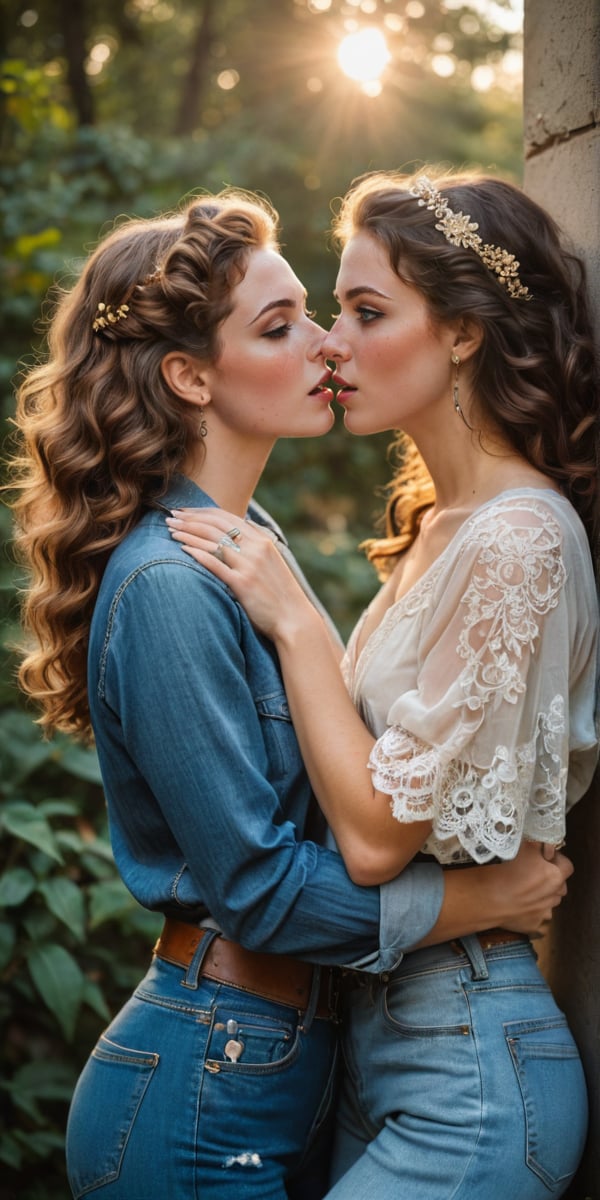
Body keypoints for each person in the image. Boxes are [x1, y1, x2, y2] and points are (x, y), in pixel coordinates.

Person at [10, 188, 572, 1200]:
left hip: (287, 1061)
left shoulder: (249, 549)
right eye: (285, 326)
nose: (324, 346)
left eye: (336, 312)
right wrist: (470, 899)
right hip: (206, 1073)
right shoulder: (175, 582)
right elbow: (265, 885)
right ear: (188, 375)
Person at [165, 171, 600, 1199]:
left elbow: (373, 837)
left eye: (367, 313)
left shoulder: (521, 538)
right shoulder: (443, 532)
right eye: (333, 310)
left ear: (460, 332)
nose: (332, 344)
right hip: (378, 1038)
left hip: (467, 1065)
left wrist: (298, 621)